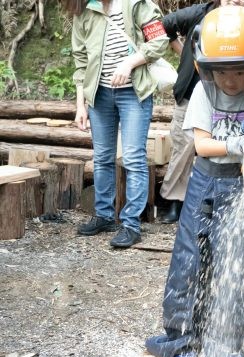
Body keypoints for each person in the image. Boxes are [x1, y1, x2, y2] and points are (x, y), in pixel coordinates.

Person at [145, 5, 244, 357]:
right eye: (222, 72)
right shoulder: (204, 91)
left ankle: (231, 343)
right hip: (204, 183)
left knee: (235, 261)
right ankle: (182, 340)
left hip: (242, 186)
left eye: (239, 71)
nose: (231, 81)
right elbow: (202, 146)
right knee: (190, 258)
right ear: (206, 68)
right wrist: (242, 142)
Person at [68, 0, 169, 248]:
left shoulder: (137, 4)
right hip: (98, 95)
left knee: (134, 157)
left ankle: (131, 224)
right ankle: (104, 215)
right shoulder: (85, 10)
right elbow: (80, 60)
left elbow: (159, 41)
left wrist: (129, 63)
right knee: (102, 157)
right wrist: (81, 104)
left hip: (133, 93)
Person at [158, 0, 244, 224]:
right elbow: (163, 25)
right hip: (193, 91)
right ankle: (173, 200)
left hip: (232, 98)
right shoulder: (201, 13)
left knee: (227, 146)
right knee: (183, 148)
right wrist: (185, 53)